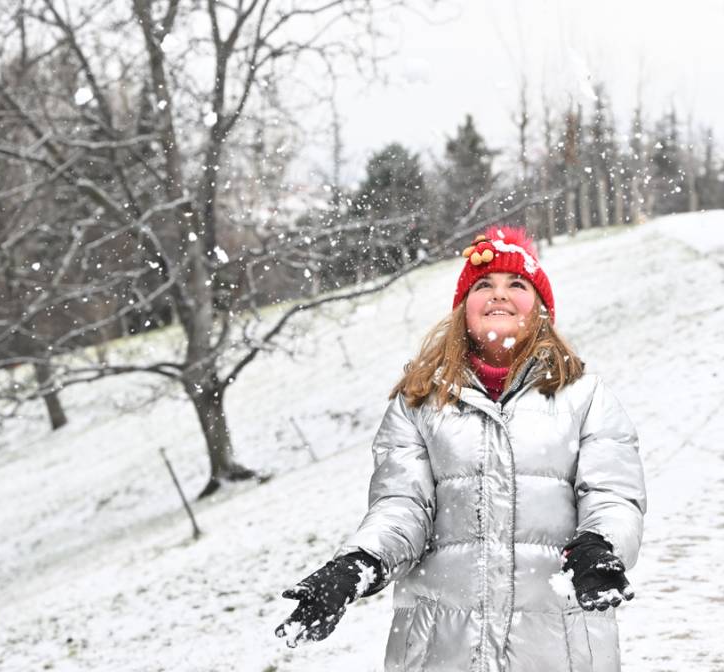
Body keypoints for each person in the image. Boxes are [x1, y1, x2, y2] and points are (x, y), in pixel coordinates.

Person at [274, 227, 646, 671]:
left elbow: (613, 493)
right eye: (483, 285)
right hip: (442, 645)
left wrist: (599, 544)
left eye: (517, 285)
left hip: (556, 643)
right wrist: (358, 563)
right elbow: (402, 504)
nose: (498, 294)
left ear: (542, 310)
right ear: (463, 309)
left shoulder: (585, 398)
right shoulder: (419, 402)